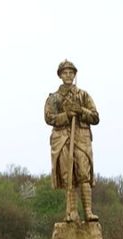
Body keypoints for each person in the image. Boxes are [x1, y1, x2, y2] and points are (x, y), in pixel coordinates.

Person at [44, 60, 99, 223]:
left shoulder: (83, 95)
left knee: (83, 174)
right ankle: (72, 212)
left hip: (81, 137)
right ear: (60, 75)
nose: (68, 75)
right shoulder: (54, 98)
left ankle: (88, 211)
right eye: (65, 73)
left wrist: (81, 110)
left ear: (74, 75)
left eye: (71, 73)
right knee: (68, 176)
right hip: (62, 138)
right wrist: (66, 115)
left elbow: (95, 117)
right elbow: (49, 118)